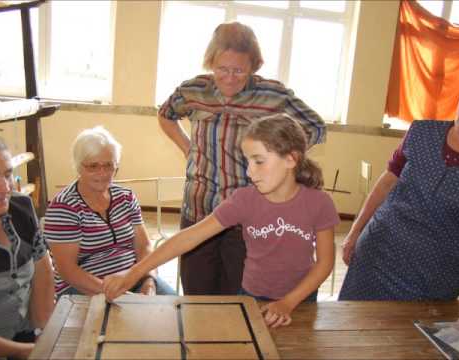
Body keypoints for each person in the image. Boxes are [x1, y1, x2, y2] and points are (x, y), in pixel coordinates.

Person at [104, 114, 339, 328]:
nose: (249, 172)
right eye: (247, 161)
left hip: (301, 300)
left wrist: (289, 302)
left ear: (291, 159)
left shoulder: (319, 203)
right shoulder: (244, 200)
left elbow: (325, 262)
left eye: (258, 161)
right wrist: (132, 275)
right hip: (251, 297)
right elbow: (187, 238)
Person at [158, 21, 326, 295]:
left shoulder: (273, 95)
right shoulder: (193, 91)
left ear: (254, 67)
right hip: (198, 209)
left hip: (246, 220)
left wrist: (280, 159)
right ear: (210, 62)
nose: (230, 77)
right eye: (222, 69)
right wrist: (187, 148)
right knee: (196, 296)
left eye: (239, 70)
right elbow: (166, 115)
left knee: (238, 298)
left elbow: (315, 127)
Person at [339, 75, 459, 301]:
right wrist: (354, 232)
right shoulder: (422, 132)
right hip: (377, 254)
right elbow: (387, 181)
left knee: (413, 335)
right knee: (356, 325)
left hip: (434, 278)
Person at [44, 126, 174, 297]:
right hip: (85, 288)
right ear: (78, 166)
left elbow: (144, 247)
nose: (102, 173)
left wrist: (149, 280)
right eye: (92, 166)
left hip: (134, 279)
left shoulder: (125, 197)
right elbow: (68, 271)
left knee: (176, 311)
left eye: (109, 166)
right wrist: (120, 294)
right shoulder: (64, 207)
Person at [0, 137, 54, 359]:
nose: (5, 187)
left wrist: (43, 335)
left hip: (24, 338)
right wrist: (29, 352)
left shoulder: (21, 206)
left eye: (7, 174)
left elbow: (43, 272)